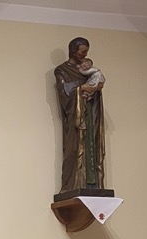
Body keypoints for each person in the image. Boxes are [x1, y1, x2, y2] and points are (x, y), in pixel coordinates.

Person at [54, 37, 106, 193]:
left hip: (90, 113)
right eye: (82, 52)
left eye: (86, 52)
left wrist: (96, 88)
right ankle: (73, 185)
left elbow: (95, 83)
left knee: (91, 146)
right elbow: (63, 91)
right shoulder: (62, 70)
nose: (84, 55)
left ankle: (92, 183)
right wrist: (81, 88)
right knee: (74, 149)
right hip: (74, 118)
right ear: (73, 51)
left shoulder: (87, 70)